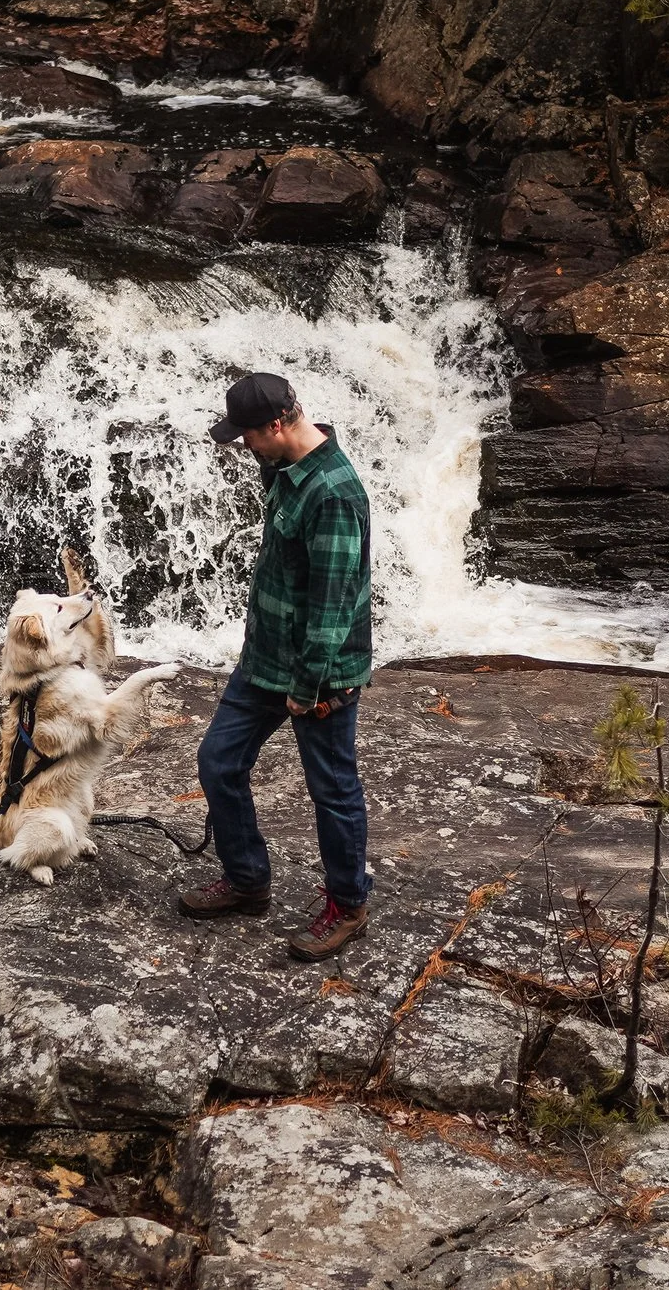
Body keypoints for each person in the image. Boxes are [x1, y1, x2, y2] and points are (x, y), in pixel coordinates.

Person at [177, 371, 375, 961]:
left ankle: (348, 905)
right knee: (218, 761)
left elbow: (333, 604)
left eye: (247, 437)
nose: (243, 448)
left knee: (332, 790)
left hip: (319, 673)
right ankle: (246, 880)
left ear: (279, 424)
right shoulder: (287, 465)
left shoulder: (336, 495)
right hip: (265, 658)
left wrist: (308, 685)